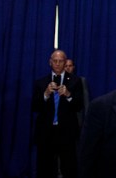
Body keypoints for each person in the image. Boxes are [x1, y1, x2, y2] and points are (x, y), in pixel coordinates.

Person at [32, 49, 84, 178]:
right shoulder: (41, 82)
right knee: (45, 166)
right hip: (46, 131)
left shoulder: (75, 81)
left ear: (65, 62)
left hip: (67, 131)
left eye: (61, 61)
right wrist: (45, 94)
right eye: (55, 61)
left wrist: (68, 95)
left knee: (69, 166)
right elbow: (35, 107)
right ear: (50, 62)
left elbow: (79, 105)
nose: (57, 64)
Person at [65, 58, 90, 128]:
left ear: (73, 67)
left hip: (77, 116)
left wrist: (86, 117)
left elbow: (86, 100)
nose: (68, 68)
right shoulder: (58, 81)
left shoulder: (81, 80)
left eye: (70, 66)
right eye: (66, 66)